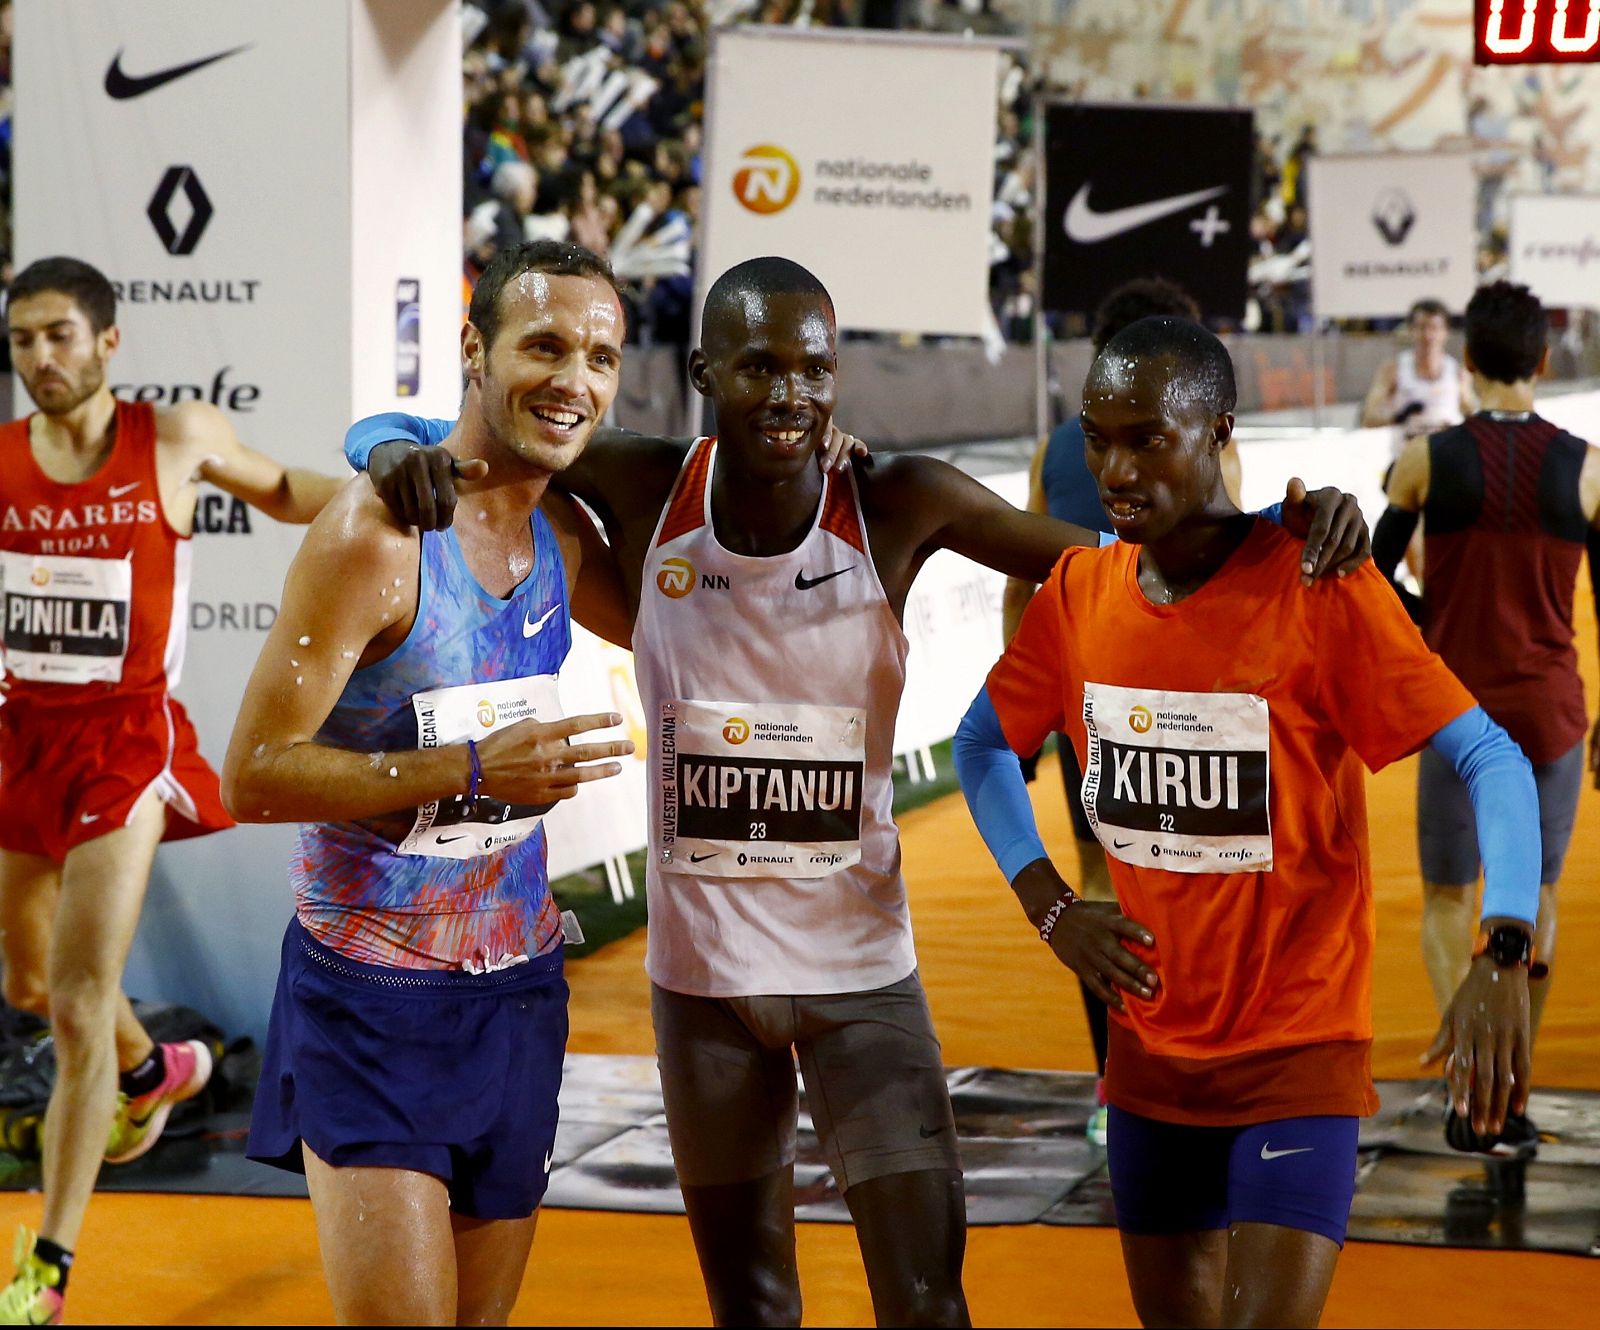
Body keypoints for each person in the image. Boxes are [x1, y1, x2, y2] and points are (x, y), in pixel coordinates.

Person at [345, 256, 1369, 1328]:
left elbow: (1124, 558)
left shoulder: (894, 499)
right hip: (702, 988)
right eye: (759, 368)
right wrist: (385, 450)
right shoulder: (647, 484)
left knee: (927, 1306)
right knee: (751, 1308)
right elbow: (453, 432)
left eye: (814, 370)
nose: (790, 394)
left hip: (862, 981)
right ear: (702, 373)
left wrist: (1281, 528)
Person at [953, 315, 1538, 1329]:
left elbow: (1491, 755)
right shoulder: (1080, 595)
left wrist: (1505, 944)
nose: (1115, 471)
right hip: (1148, 1067)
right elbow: (979, 746)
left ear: (1218, 430)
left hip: (1297, 1059)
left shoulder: (1315, 582)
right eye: (1098, 439)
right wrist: (1050, 905)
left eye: (1147, 438)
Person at [218, 242, 637, 1325]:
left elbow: (701, 606)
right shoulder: (378, 535)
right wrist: (473, 768)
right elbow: (252, 775)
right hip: (371, 994)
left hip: (520, 988)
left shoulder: (565, 536)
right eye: (544, 345)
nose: (574, 378)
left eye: (600, 356)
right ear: (473, 349)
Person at [0, 256, 344, 1324]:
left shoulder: (176, 438)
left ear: (108, 341)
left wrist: (398, 494)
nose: (40, 357)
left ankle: (45, 1270)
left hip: (124, 747)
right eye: (22, 339)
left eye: (59, 334)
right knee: (29, 985)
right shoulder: (2, 458)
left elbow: (282, 490)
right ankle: (154, 1072)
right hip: (21, 744)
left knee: (78, 1001)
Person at [1003, 275, 1241, 1148]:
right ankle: (1175, 1072)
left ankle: (1119, 1082)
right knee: (1192, 886)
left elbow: (1019, 583)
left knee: (1102, 887)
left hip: (1088, 702)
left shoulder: (1052, 449)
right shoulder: (1196, 441)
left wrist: (1027, 705)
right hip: (1177, 707)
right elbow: (1233, 555)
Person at [1376, 280, 1600, 1152]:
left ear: (1467, 361)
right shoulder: (1587, 468)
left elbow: (1369, 583)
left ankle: (1468, 1082)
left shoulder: (1425, 460)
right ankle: (1512, 1087)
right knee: (1533, 896)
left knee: (1448, 896)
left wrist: (1432, 622)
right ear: (1543, 360)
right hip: (1550, 716)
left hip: (1458, 716)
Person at [1360, 298, 1476, 446]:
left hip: (1446, 455)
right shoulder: (1394, 369)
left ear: (1446, 332)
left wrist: (1454, 428)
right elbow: (1368, 418)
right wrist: (1398, 417)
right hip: (1407, 452)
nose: (1427, 336)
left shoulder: (1458, 373)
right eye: (1421, 327)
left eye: (1434, 328)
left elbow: (1474, 416)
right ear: (1410, 330)